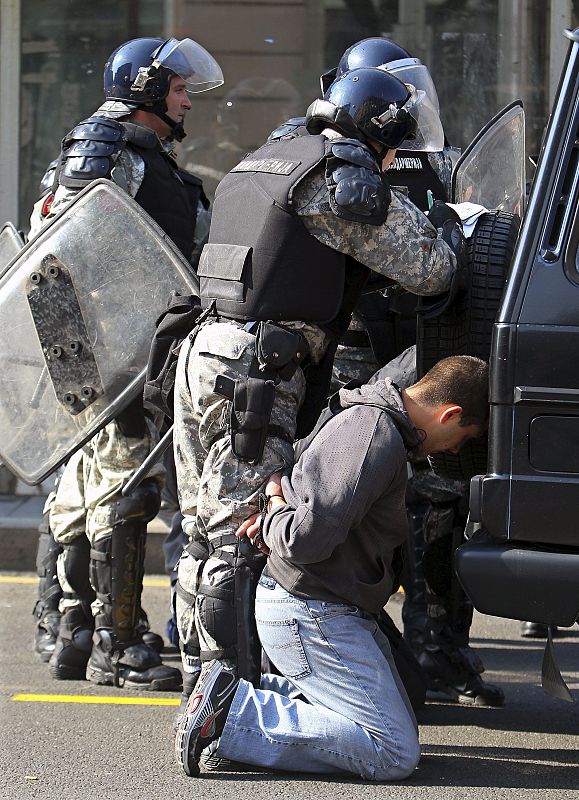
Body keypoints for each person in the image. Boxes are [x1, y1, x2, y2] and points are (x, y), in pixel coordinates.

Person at [172, 64, 466, 721]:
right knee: (244, 535)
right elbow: (429, 269)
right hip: (257, 370)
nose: (391, 163)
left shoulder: (265, 158)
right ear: (377, 132)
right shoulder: (336, 178)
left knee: (201, 530)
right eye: (392, 150)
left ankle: (200, 682)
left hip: (204, 353)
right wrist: (452, 229)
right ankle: (226, 705)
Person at [175, 355, 489, 779]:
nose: (456, 448)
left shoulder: (375, 422)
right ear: (449, 413)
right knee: (393, 750)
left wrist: (276, 504)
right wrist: (272, 514)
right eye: (463, 436)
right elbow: (304, 538)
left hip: (325, 607)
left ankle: (238, 695)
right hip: (311, 610)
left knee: (400, 721)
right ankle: (232, 718)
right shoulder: (375, 436)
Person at [319, 37, 503, 706]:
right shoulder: (332, 164)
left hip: (423, 352)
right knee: (348, 508)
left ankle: (436, 651)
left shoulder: (430, 164)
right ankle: (355, 651)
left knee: (440, 507)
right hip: (356, 360)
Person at [42, 36, 223, 689]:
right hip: (117, 347)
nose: (186, 103)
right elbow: (68, 251)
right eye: (178, 91)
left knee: (89, 489)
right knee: (124, 490)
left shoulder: (115, 149)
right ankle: (114, 645)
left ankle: (78, 630)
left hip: (110, 345)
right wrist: (100, 347)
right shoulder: (111, 151)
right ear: (146, 90)